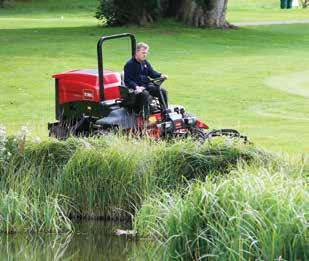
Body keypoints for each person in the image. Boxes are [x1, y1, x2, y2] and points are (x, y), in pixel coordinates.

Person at [124, 42, 168, 118]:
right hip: (136, 89)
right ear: (137, 52)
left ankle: (165, 113)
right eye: (143, 53)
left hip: (146, 85)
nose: (144, 55)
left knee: (162, 91)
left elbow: (152, 73)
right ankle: (145, 116)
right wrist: (136, 87)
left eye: (146, 53)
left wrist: (161, 75)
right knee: (145, 94)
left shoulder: (145, 62)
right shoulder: (130, 64)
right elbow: (128, 80)